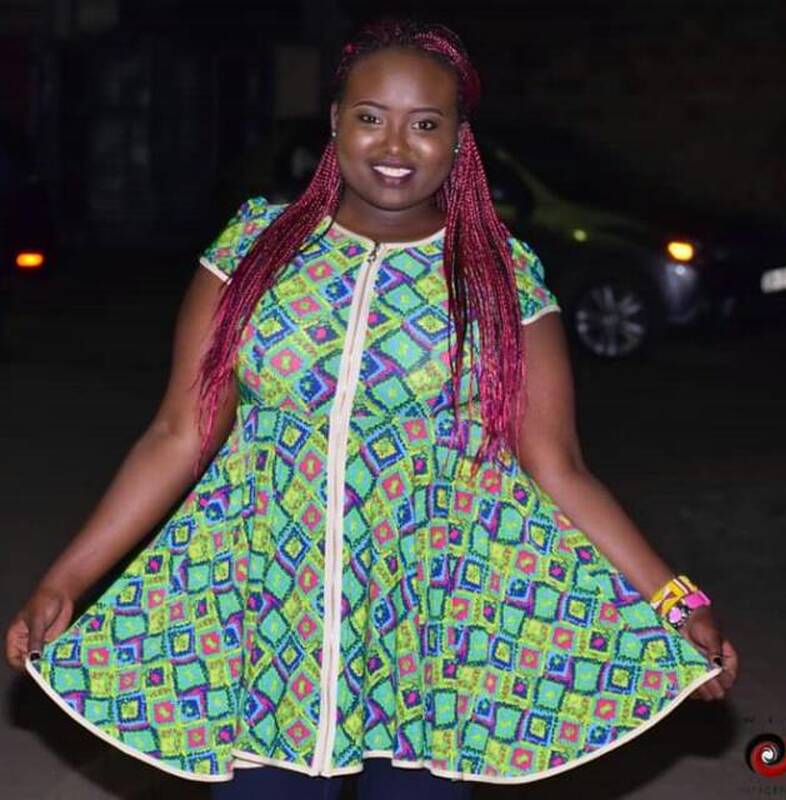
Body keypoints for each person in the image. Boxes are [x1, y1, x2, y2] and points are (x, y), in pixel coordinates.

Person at [5, 16, 738, 799]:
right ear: (334, 122)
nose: (395, 146)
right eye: (370, 117)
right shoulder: (252, 252)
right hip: (267, 621)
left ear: (459, 140)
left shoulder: (500, 278)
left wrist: (675, 601)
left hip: (427, 626)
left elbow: (559, 467)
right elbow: (179, 432)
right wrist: (67, 580)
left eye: (425, 124)